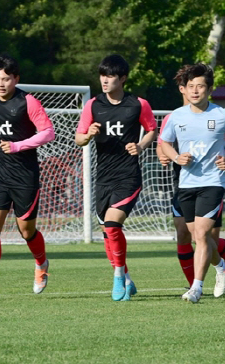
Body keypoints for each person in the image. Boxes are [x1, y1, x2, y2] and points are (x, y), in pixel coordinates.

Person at [160, 63, 225, 303]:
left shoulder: (222, 115)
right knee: (195, 236)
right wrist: (176, 157)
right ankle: (222, 265)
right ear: (183, 90)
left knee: (202, 233)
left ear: (209, 89)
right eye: (191, 86)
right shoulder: (176, 117)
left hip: (213, 182)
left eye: (200, 86)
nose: (195, 91)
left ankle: (196, 288)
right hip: (186, 184)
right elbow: (164, 141)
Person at [75, 54, 157, 301]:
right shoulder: (93, 105)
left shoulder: (138, 104)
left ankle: (118, 277)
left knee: (112, 225)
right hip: (103, 178)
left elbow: (152, 129)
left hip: (128, 176)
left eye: (110, 76)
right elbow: (78, 138)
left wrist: (141, 146)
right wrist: (88, 134)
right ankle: (128, 279)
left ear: (122, 78)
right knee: (107, 234)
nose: (105, 80)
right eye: (102, 75)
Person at [0, 54, 55, 300]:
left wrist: (18, 145)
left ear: (15, 79)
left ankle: (41, 264)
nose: (1, 84)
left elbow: (48, 133)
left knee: (26, 230)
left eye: (6, 79)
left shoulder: (28, 102)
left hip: (25, 176)